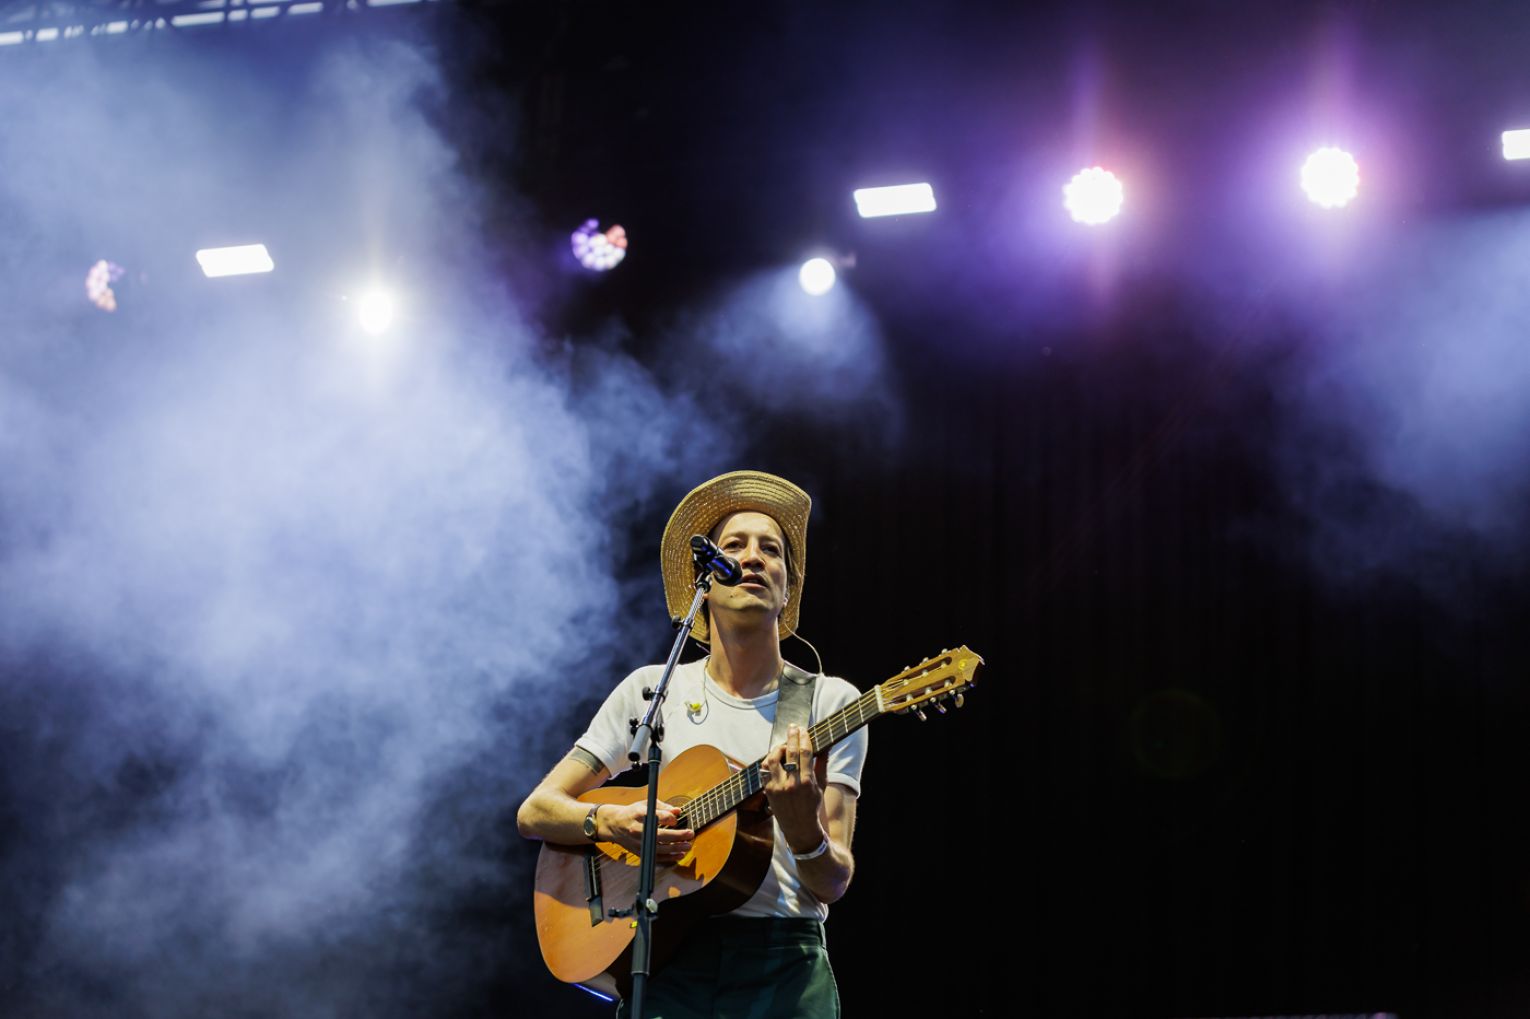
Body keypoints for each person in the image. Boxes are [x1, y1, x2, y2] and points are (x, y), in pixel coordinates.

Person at [517, 470, 868, 1018]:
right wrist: (610, 825)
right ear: (704, 579)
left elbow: (833, 883)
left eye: (770, 549)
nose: (752, 557)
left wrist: (803, 831)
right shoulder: (651, 690)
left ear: (787, 586)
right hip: (669, 957)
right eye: (734, 546)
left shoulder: (828, 702)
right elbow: (536, 811)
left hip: (785, 965)